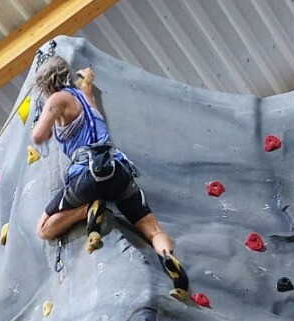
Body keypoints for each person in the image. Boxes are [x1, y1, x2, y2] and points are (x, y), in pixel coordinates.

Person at [30, 55, 189, 299]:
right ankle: (168, 257)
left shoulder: (56, 99)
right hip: (117, 169)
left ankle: (88, 210)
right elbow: (86, 83)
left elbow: (38, 136)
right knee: (152, 230)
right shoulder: (86, 97)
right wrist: (86, 78)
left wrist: (41, 117)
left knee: (43, 229)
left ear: (47, 85)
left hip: (87, 175)